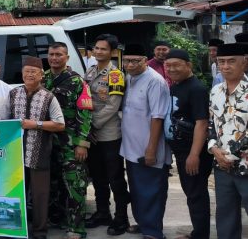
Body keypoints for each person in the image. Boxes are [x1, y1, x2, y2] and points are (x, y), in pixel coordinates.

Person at [9, 56, 65, 239]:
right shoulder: (13, 94)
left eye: (33, 72)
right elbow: (5, 120)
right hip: (15, 156)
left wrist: (35, 124)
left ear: (41, 75)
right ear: (22, 74)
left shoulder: (49, 97)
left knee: (40, 196)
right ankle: (17, 231)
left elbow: (60, 124)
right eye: (26, 71)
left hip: (39, 154)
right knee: (16, 193)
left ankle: (40, 232)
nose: (29, 75)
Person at [121, 44, 171, 239]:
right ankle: (143, 223)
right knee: (137, 190)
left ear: (145, 61)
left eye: (135, 61)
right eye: (127, 61)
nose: (130, 65)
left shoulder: (155, 81)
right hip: (131, 147)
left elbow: (158, 117)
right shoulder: (129, 78)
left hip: (148, 148)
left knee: (152, 191)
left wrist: (151, 149)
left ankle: (153, 232)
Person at [83, 34, 131, 235]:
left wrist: (91, 125)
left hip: (109, 134)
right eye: (96, 48)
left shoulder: (116, 75)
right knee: (98, 177)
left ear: (112, 52)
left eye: (103, 49)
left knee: (115, 178)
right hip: (92, 134)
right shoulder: (90, 71)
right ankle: (103, 212)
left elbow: (113, 106)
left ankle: (121, 218)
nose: (98, 51)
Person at [44, 42, 92, 239]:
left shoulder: (77, 81)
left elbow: (86, 114)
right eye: (51, 54)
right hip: (48, 142)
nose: (54, 58)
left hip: (71, 143)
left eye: (59, 55)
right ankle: (60, 218)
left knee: (75, 184)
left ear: (67, 57)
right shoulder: (43, 78)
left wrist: (82, 143)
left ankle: (77, 228)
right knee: (54, 184)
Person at [164, 49, 213, 239]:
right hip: (181, 150)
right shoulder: (177, 85)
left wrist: (194, 155)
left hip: (193, 151)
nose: (171, 69)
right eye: (168, 65)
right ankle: (198, 233)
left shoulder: (196, 89)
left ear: (188, 65)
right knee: (192, 192)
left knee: (196, 194)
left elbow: (202, 123)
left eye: (176, 65)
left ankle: (200, 235)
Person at [207, 43, 248, 239]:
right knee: (225, 215)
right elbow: (212, 124)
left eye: (231, 61)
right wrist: (213, 148)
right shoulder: (215, 91)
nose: (225, 66)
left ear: (244, 62)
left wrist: (230, 155)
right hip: (222, 166)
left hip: (245, 165)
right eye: (221, 62)